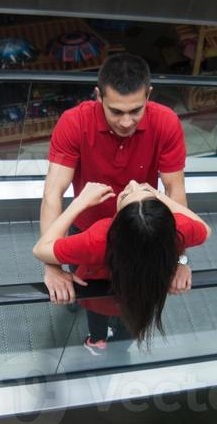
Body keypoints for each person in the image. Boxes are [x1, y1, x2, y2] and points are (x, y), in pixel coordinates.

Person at [40, 54, 188, 349]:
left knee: (132, 295)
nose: (126, 121)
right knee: (87, 295)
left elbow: (175, 191)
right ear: (98, 96)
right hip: (86, 229)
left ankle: (120, 340)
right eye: (116, 111)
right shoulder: (74, 122)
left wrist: (179, 259)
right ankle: (93, 330)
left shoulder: (166, 122)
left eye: (136, 110)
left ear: (149, 95)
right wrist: (52, 266)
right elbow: (52, 194)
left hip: (139, 230)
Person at [33, 180, 210, 350]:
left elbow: (41, 249)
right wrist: (156, 194)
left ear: (119, 222)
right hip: (142, 298)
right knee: (130, 321)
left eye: (126, 195)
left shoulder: (100, 238)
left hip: (97, 296)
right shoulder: (177, 230)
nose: (132, 182)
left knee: (97, 318)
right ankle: (119, 347)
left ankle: (96, 341)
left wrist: (79, 202)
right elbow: (205, 228)